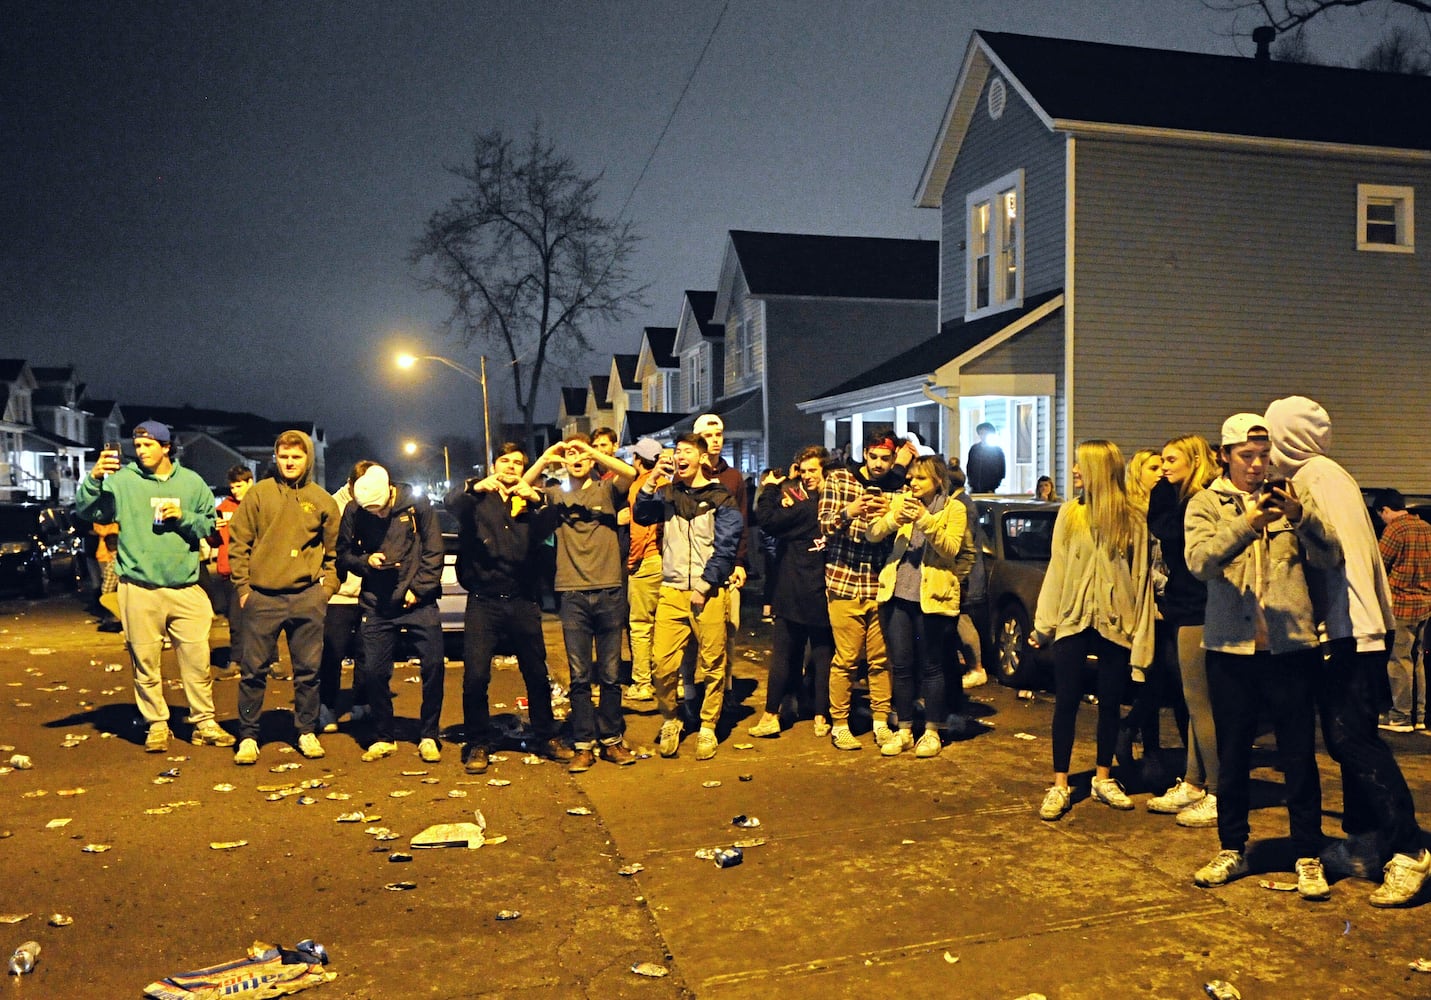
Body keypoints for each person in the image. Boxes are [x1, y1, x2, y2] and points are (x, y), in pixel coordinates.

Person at [1265, 396, 1429, 907]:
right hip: (1354, 628)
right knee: (1346, 739)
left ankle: (1410, 847)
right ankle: (1368, 841)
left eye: (1271, 437)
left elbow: (1332, 554)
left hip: (1351, 631)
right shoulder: (1330, 475)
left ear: (1287, 439)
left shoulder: (1317, 480)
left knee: (1353, 739)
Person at [1184, 413, 1337, 900]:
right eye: (1246, 456)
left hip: (1292, 649)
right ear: (1224, 455)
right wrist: (1249, 523)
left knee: (1298, 754)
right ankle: (1232, 845)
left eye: (1262, 456)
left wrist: (1297, 516)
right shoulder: (1206, 504)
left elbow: (1331, 554)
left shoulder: (1292, 495)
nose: (1256, 466)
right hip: (1232, 649)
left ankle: (1308, 854)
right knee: (1232, 753)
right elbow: (1199, 562)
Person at [75, 420, 231, 753]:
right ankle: (157, 725)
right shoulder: (124, 480)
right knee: (144, 660)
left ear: (166, 447)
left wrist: (183, 516)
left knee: (197, 659)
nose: (141, 451)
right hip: (139, 587)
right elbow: (88, 510)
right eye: (138, 445)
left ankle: (204, 721)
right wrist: (95, 477)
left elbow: (208, 525)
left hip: (185, 586)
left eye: (148, 445)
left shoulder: (192, 482)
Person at [1031, 440, 1155, 820]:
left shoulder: (1133, 517)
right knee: (1066, 700)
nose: (1073, 470)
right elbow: (1058, 569)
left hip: (1115, 622)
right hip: (1073, 618)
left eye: (1080, 464)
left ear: (1099, 469)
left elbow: (1140, 576)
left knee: (1111, 701)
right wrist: (1044, 624)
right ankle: (1060, 783)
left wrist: (1137, 631)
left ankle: (1103, 777)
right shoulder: (1070, 514)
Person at [446, 443, 573, 774]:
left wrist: (536, 501)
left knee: (535, 672)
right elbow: (451, 504)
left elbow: (551, 524)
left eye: (518, 462)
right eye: (505, 461)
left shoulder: (532, 503)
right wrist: (474, 487)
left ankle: (546, 735)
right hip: (483, 601)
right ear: (493, 464)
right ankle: (478, 742)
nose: (511, 467)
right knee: (475, 675)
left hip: (523, 599)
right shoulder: (476, 498)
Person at [525, 433, 639, 771]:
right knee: (578, 675)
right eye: (571, 454)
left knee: (610, 673)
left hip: (609, 590)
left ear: (591, 460)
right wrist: (548, 457)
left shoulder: (605, 490)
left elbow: (630, 474)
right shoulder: (555, 495)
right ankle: (584, 744)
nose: (576, 458)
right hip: (571, 592)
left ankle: (612, 740)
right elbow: (519, 484)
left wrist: (591, 450)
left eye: (582, 454)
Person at [227, 430, 341, 765]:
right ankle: (248, 735)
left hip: (307, 597)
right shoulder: (258, 494)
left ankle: (305, 730)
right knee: (253, 671)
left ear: (308, 459)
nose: (290, 462)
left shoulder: (322, 500)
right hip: (262, 597)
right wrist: (244, 589)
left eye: (297, 456)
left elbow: (335, 553)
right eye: (284, 456)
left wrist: (326, 590)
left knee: (309, 670)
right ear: (275, 457)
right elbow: (239, 544)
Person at [633, 433, 742, 760]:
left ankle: (708, 726)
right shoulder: (666, 494)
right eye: (675, 451)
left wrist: (706, 585)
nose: (678, 457)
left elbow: (727, 547)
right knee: (661, 665)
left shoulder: (721, 498)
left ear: (702, 458)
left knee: (713, 664)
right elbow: (641, 514)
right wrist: (652, 478)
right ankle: (671, 719)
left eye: (685, 452)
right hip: (671, 591)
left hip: (707, 593)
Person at [337, 464, 447, 763]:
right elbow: (343, 553)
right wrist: (365, 561)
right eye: (370, 511)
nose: (377, 515)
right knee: (372, 671)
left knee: (434, 666)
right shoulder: (353, 511)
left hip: (417, 602)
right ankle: (384, 736)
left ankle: (428, 735)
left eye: (381, 508)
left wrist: (419, 589)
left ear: (389, 491)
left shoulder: (416, 504)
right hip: (376, 601)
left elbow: (434, 549)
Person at [1144, 434, 1222, 829]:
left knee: (1200, 703)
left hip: (1199, 608)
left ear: (1193, 460)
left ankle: (1218, 793)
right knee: (1195, 703)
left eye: (1171, 459)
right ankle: (1194, 781)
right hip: (1188, 606)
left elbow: (1168, 531)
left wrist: (1159, 489)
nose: (1164, 467)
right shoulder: (1181, 498)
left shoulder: (1197, 503)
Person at [867, 456, 967, 758]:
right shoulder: (902, 502)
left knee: (931, 667)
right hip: (897, 596)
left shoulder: (954, 509)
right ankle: (905, 730)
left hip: (931, 601)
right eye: (910, 478)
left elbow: (950, 548)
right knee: (901, 666)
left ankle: (933, 731)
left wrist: (924, 519)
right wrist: (893, 520)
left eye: (919, 478)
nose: (911, 483)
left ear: (937, 480)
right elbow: (872, 533)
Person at [817, 428, 910, 751]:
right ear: (865, 453)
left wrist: (888, 513)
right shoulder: (840, 480)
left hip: (880, 584)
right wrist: (850, 511)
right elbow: (825, 525)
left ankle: (880, 720)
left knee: (880, 659)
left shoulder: (897, 488)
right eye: (873, 457)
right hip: (843, 581)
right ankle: (839, 723)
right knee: (846, 659)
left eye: (886, 458)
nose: (879, 464)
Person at [750, 446, 834, 738]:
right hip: (817, 587)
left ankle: (773, 713)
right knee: (821, 653)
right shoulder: (828, 502)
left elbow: (768, 519)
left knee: (788, 653)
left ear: (825, 470)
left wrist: (770, 488)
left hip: (798, 587)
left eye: (813, 470)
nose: (808, 476)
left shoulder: (807, 507)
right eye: (804, 470)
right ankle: (821, 714)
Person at [1370, 489, 1431, 733]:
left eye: (1381, 515)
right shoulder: (1427, 528)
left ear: (1385, 510)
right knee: (1418, 661)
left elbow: (1379, 564)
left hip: (1402, 605)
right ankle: (1419, 715)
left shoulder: (1395, 529)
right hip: (1426, 604)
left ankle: (1400, 716)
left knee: (1399, 661)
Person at [319, 466, 369, 732]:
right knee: (332, 653)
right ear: (350, 483)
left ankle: (362, 702)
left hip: (368, 593)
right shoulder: (332, 506)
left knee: (366, 652)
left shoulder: (377, 503)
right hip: (338, 594)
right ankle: (327, 706)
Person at [625, 438, 664, 702]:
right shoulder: (670, 484)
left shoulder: (641, 486)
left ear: (639, 460)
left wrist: (631, 562)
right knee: (667, 624)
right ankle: (674, 681)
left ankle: (643, 682)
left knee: (641, 625)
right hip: (669, 561)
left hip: (647, 560)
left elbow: (640, 531)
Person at [210, 465, 254, 680]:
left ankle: (270, 660)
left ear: (250, 482)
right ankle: (236, 660)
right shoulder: (224, 507)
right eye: (232, 486)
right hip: (231, 571)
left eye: (239, 485)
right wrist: (211, 530)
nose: (235, 490)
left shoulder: (259, 504)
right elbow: (216, 540)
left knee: (263, 621)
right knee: (236, 621)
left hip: (257, 571)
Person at [966, 421, 1005, 493]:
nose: (983, 436)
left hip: (990, 488)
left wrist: (994, 485)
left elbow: (1001, 470)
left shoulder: (997, 451)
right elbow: (969, 467)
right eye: (981, 433)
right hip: (974, 488)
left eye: (986, 433)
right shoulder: (974, 449)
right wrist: (971, 483)